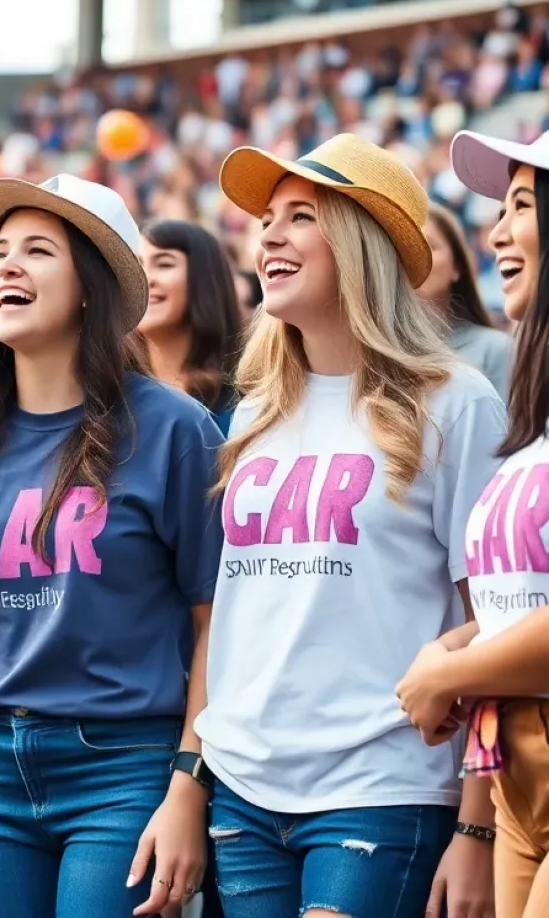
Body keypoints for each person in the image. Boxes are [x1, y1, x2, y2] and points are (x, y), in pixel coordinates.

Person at [197, 134, 505, 918]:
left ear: (361, 246)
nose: (268, 235)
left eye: (301, 216)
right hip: (243, 785)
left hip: (383, 782)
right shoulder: (256, 409)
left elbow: (494, 628)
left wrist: (476, 827)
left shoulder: (456, 403)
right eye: (266, 219)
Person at [0, 174, 224, 918]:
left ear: (91, 287)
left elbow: (214, 622)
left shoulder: (175, 429)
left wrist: (188, 786)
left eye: (38, 250)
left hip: (121, 769)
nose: (6, 267)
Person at [398, 129, 549, 918]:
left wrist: (451, 671)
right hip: (517, 774)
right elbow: (518, 600)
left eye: (521, 206)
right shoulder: (534, 415)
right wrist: (457, 647)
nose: (495, 231)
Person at [137, 219, 242, 434]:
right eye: (136, 266)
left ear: (204, 279)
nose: (145, 279)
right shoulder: (108, 399)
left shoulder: (243, 408)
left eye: (164, 264)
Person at [418, 200, 514, 400]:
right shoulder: (372, 353)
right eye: (406, 246)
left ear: (457, 267)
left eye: (429, 246)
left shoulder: (495, 350)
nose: (415, 257)